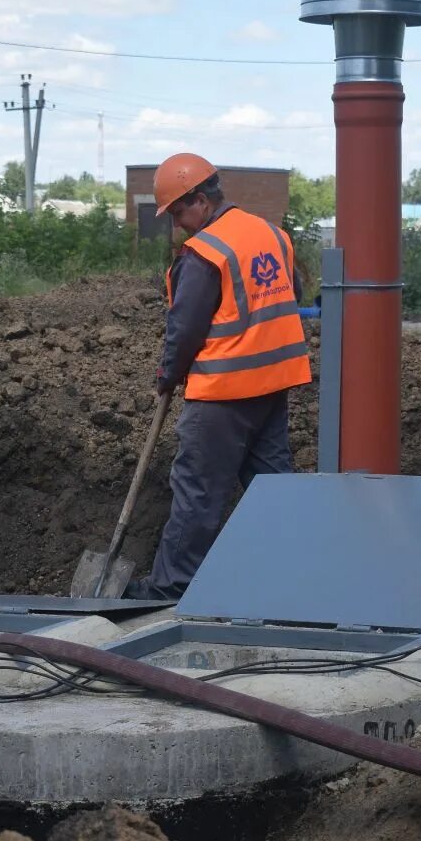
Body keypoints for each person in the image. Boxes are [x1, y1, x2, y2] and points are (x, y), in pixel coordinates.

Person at [124, 153, 311, 600]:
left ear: (201, 201)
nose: (178, 227)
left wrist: (168, 375)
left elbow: (184, 327)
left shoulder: (204, 253)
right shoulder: (273, 236)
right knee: (274, 489)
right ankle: (295, 579)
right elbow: (292, 296)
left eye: (178, 214)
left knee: (199, 490)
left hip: (224, 392)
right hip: (272, 386)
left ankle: (171, 587)